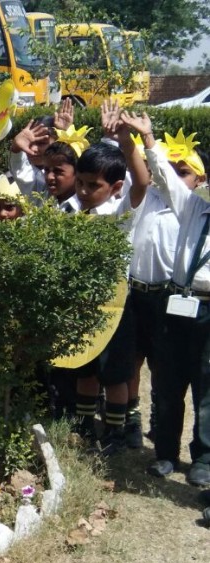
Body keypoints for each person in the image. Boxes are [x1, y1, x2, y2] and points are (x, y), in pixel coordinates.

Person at [130, 112, 210, 485]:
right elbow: (162, 176)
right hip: (177, 304)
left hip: (209, 310)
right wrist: (148, 139)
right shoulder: (194, 207)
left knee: (207, 391)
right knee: (167, 384)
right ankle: (165, 454)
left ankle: (204, 461)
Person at [69, 119, 149, 455]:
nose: (84, 191)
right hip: (83, 306)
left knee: (115, 374)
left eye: (93, 185)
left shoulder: (120, 213)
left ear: (115, 187)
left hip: (115, 307)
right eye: (81, 183)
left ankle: (115, 432)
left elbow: (142, 182)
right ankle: (86, 425)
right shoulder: (73, 214)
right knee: (84, 367)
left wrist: (129, 144)